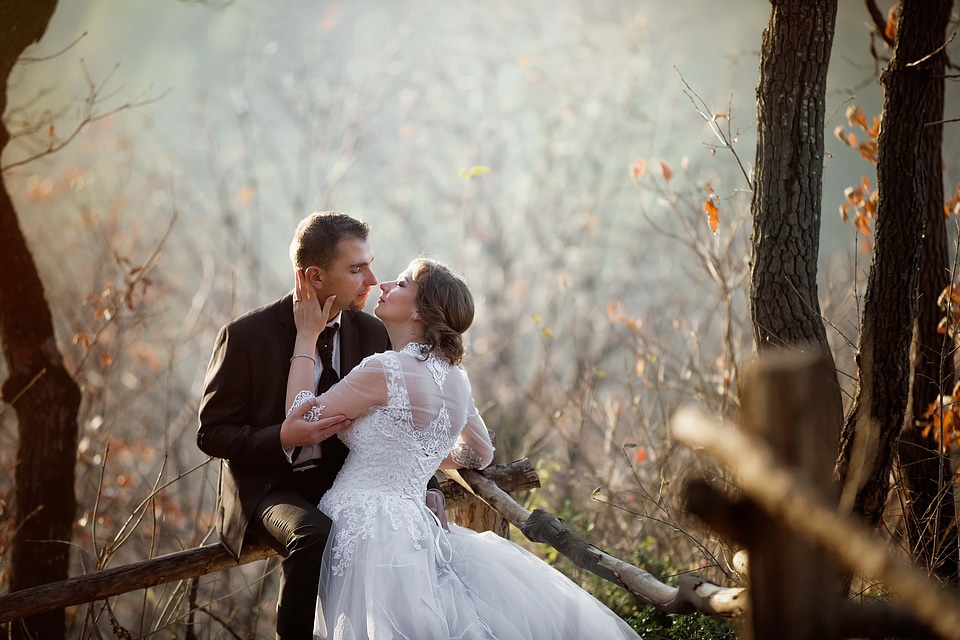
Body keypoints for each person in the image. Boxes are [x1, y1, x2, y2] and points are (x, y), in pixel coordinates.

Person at [283, 257, 642, 639]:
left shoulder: (383, 369)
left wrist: (306, 337)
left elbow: (300, 421)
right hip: (415, 528)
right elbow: (481, 454)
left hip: (363, 526)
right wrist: (424, 456)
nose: (384, 285)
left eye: (401, 284)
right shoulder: (457, 380)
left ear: (420, 311)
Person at [197, 212, 446, 640]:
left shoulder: (371, 330)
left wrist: (431, 483)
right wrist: (282, 437)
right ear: (313, 276)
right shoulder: (245, 335)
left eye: (369, 264)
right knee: (314, 533)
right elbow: (211, 433)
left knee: (396, 526)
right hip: (270, 486)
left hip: (339, 478)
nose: (372, 278)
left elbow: (401, 418)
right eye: (355, 269)